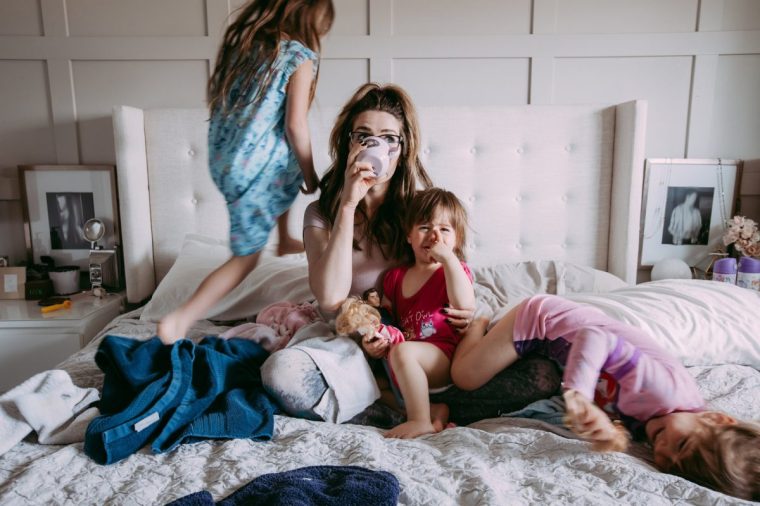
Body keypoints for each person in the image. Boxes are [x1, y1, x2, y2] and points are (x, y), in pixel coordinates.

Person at [260, 82, 561, 428]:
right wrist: (347, 203)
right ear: (349, 142)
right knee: (280, 374)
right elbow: (329, 297)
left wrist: (468, 314)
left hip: (418, 347)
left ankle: (401, 399)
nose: (378, 146)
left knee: (542, 375)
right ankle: (410, 408)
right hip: (351, 346)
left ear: (402, 149)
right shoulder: (321, 214)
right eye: (365, 135)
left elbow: (451, 271)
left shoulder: (416, 214)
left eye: (390, 138)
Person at [450, 294, 760, 501]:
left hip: (556, 357)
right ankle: (478, 325)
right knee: (465, 376)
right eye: (681, 444)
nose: (663, 451)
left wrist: (610, 431)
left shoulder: (667, 420)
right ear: (715, 418)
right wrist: (579, 396)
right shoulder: (663, 390)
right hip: (543, 321)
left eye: (673, 467)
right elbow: (594, 337)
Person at [157, 0, 335, 344]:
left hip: (227, 160)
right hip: (254, 168)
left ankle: (283, 238)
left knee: (284, 161)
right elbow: (296, 126)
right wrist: (312, 175)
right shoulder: (299, 57)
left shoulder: (248, 49)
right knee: (247, 258)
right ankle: (180, 318)